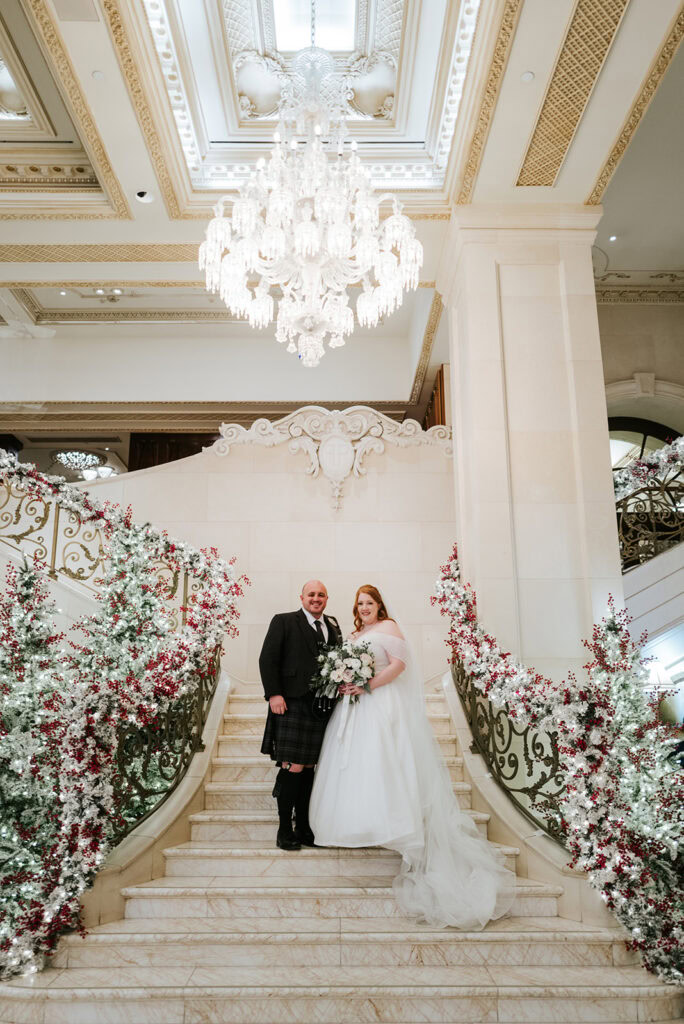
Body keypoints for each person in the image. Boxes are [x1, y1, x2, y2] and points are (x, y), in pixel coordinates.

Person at [309, 584, 516, 929]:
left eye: (369, 602)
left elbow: (400, 665)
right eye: (359, 603)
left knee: (381, 763)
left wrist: (367, 684)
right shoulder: (357, 632)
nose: (363, 608)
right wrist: (345, 681)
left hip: (379, 703)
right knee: (354, 766)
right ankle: (354, 824)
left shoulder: (389, 628)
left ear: (379, 604)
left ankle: (390, 821)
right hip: (354, 707)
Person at [259, 580, 342, 851]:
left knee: (309, 768)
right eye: (311, 594)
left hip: (322, 707)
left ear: (327, 599)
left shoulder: (332, 625)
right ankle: (284, 829)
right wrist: (274, 694)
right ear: (302, 597)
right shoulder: (284, 621)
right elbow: (267, 658)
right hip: (291, 703)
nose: (316, 598)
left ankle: (304, 828)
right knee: (292, 766)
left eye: (321, 595)